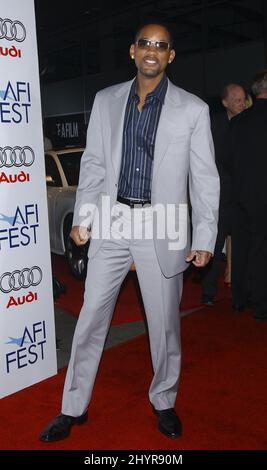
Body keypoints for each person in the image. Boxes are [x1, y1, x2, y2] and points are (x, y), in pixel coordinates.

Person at [40, 22, 219, 442]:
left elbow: (205, 179)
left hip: (166, 224)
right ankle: (73, 407)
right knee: (89, 318)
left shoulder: (192, 109)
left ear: (171, 55)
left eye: (161, 45)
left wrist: (205, 238)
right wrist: (83, 218)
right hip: (113, 220)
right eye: (145, 43)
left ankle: (164, 398)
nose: (152, 51)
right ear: (132, 51)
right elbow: (95, 165)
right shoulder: (106, 101)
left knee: (165, 325)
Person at [202, 83, 246, 305]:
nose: (242, 103)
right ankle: (208, 292)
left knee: (242, 246)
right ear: (225, 103)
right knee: (214, 243)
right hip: (218, 196)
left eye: (243, 99)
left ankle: (240, 292)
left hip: (242, 196)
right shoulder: (213, 125)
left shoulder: (249, 124)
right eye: (237, 99)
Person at [229, 70, 267, 320]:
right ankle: (262, 305)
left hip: (241, 195)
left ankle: (240, 299)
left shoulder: (238, 123)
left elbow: (227, 161)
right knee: (262, 250)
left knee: (243, 248)